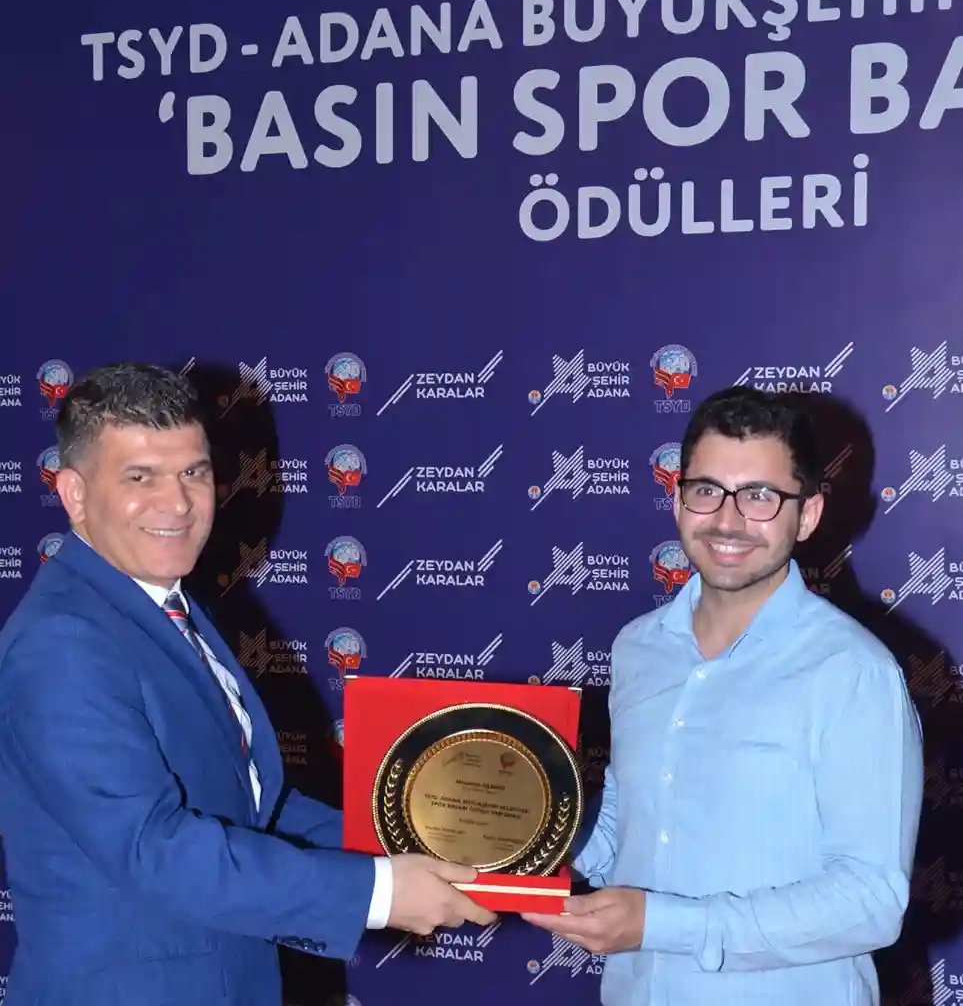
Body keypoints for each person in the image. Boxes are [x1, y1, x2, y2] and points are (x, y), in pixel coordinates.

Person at [0, 362, 494, 1006]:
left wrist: (426, 842)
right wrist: (378, 892)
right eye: (140, 477)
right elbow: (154, 847)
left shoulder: (165, 606)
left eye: (193, 473)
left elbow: (251, 806)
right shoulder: (62, 642)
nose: (177, 503)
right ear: (73, 494)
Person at [523, 386, 923, 1006]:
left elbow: (871, 900)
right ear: (678, 499)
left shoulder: (852, 671)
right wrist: (525, 844)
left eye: (760, 496)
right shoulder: (638, 648)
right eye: (707, 490)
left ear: (807, 515)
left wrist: (663, 924)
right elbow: (629, 822)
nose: (728, 521)